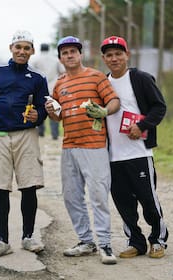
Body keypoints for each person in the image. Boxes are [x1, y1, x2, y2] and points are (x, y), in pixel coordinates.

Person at [45, 36, 120, 265]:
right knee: (71, 196)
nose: (69, 55)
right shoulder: (59, 84)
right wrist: (51, 111)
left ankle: (105, 244)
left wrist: (104, 112)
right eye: (65, 52)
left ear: (80, 54)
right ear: (60, 58)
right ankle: (86, 241)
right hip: (69, 147)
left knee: (98, 195)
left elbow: (114, 101)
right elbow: (58, 117)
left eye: (73, 51)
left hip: (94, 146)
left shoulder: (96, 77)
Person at [0, 30, 48, 258]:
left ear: (32, 51)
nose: (22, 51)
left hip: (26, 134)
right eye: (18, 47)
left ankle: (28, 237)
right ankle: (2, 241)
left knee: (29, 186)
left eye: (27, 48)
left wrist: (40, 115)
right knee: (0, 187)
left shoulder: (37, 78)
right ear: (11, 48)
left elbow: (44, 106)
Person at [100, 36, 169, 258]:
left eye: (118, 53)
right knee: (123, 202)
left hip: (139, 152)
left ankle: (158, 240)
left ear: (127, 55)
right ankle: (135, 242)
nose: (114, 58)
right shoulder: (102, 82)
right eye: (109, 55)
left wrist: (142, 125)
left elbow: (159, 107)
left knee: (148, 199)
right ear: (104, 59)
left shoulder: (140, 78)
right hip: (112, 156)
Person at [30, 43, 64, 140]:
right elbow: (62, 71)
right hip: (53, 88)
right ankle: (55, 134)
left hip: (39, 89)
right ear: (48, 49)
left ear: (40, 49)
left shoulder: (36, 59)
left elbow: (31, 72)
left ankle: (41, 133)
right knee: (53, 110)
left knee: (40, 110)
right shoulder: (55, 59)